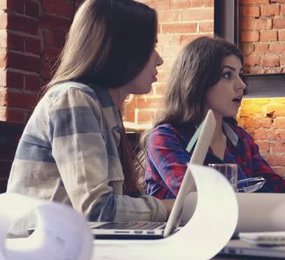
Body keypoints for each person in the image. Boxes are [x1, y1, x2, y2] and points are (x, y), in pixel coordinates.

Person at [7, 0, 172, 224]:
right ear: (122, 50)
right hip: (44, 253)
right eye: (150, 46)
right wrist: (171, 208)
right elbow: (96, 210)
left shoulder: (104, 109)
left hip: (71, 248)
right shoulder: (74, 99)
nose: (160, 59)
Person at [144, 37, 285, 198]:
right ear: (198, 80)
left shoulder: (240, 140)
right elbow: (196, 198)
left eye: (240, 75)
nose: (241, 85)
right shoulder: (165, 138)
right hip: (181, 242)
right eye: (228, 75)